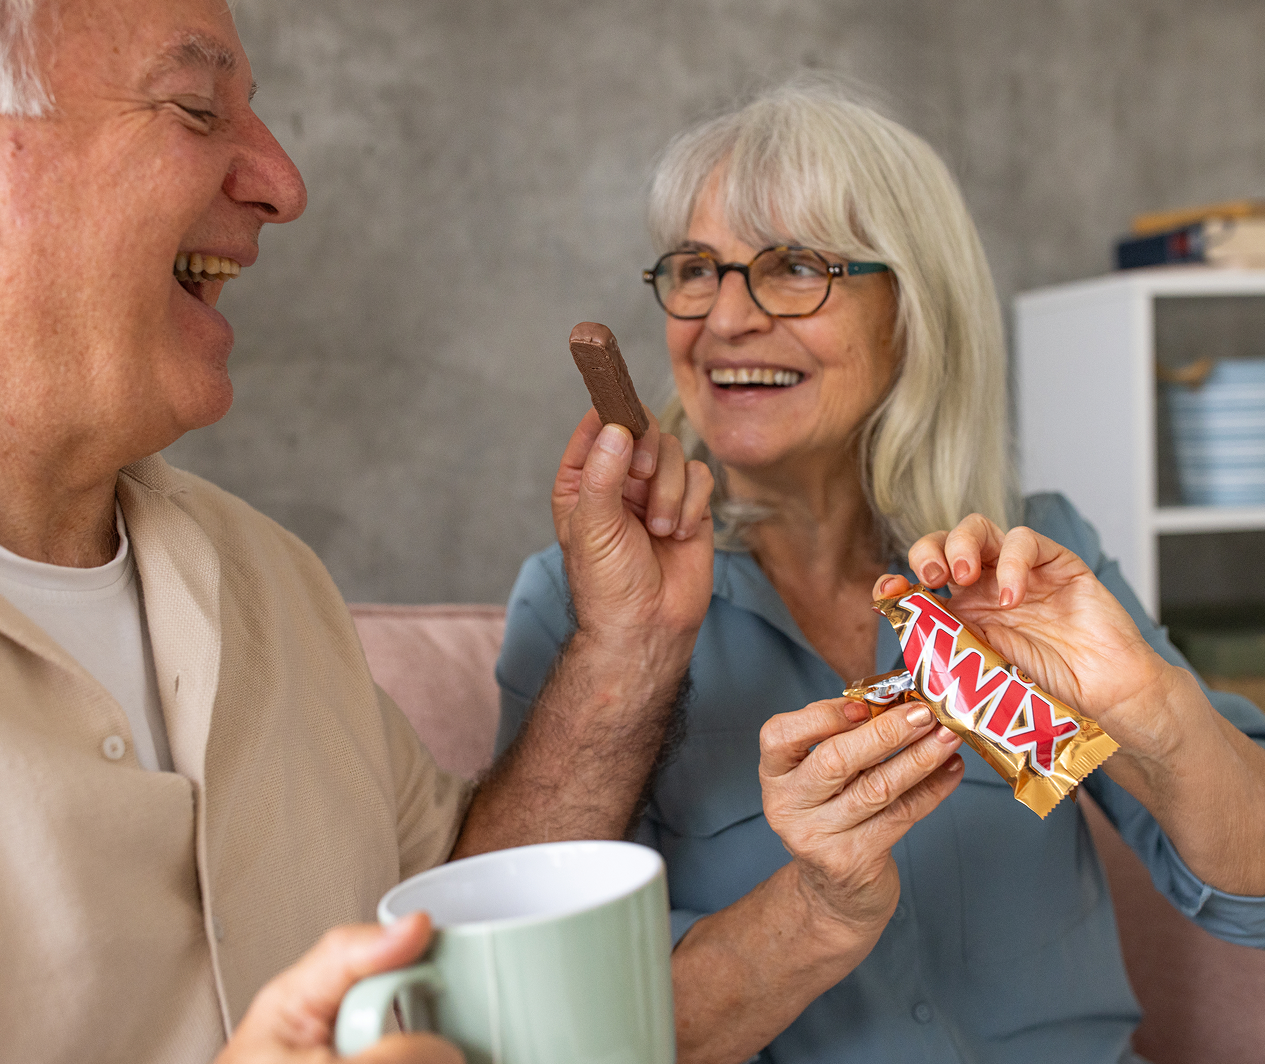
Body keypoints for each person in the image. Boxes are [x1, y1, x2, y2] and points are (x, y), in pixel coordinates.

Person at [0, 2, 713, 1062]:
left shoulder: (271, 580)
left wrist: (628, 644)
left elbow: (454, 913)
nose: (284, 182)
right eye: (195, 108)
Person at [496, 81, 1265, 1064]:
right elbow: (552, 1020)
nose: (724, 318)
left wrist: (1152, 710)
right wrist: (815, 907)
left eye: (794, 267)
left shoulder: (1030, 555)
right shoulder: (584, 604)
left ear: (910, 306)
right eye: (694, 269)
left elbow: (1249, 888)